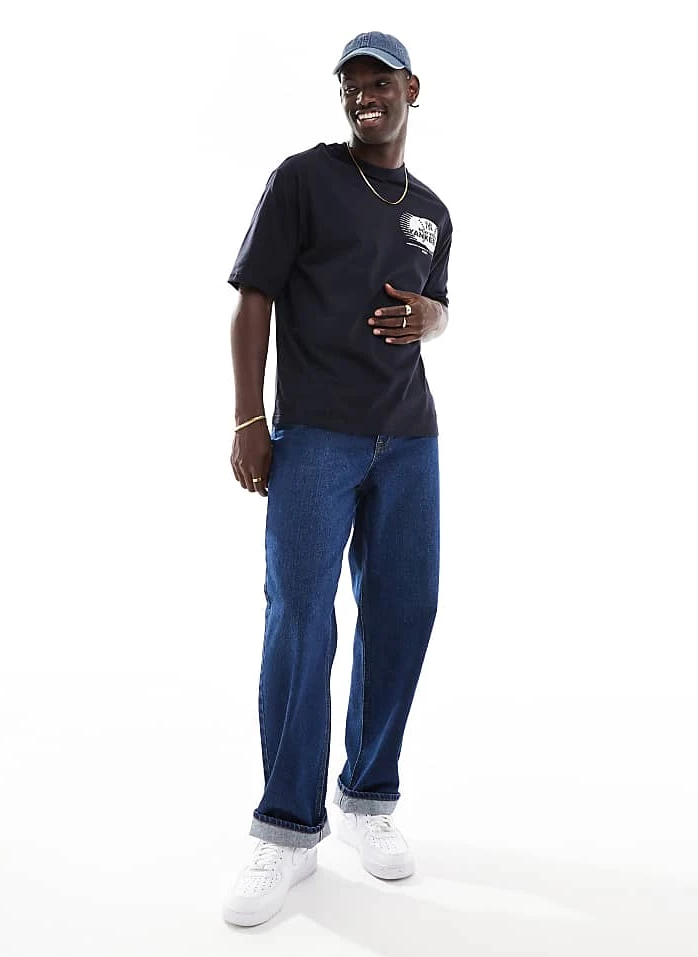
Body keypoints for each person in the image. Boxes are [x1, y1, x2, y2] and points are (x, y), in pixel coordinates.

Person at [222, 31, 453, 928]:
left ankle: (367, 796)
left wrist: (434, 316)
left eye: (380, 81)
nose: (366, 94)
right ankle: (285, 827)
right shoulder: (304, 179)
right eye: (352, 84)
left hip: (410, 438)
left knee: (404, 609)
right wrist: (250, 420)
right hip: (316, 434)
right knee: (300, 617)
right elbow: (253, 298)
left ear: (411, 90)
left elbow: (439, 306)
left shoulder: (432, 209)